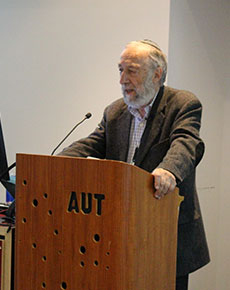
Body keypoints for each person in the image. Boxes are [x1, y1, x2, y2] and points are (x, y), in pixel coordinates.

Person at [58, 39, 210, 290]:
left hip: (165, 235)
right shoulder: (115, 111)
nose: (122, 80)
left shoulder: (183, 104)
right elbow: (91, 144)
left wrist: (168, 170)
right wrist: (52, 165)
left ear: (156, 74)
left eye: (132, 71)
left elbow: (186, 143)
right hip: (120, 235)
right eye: (120, 70)